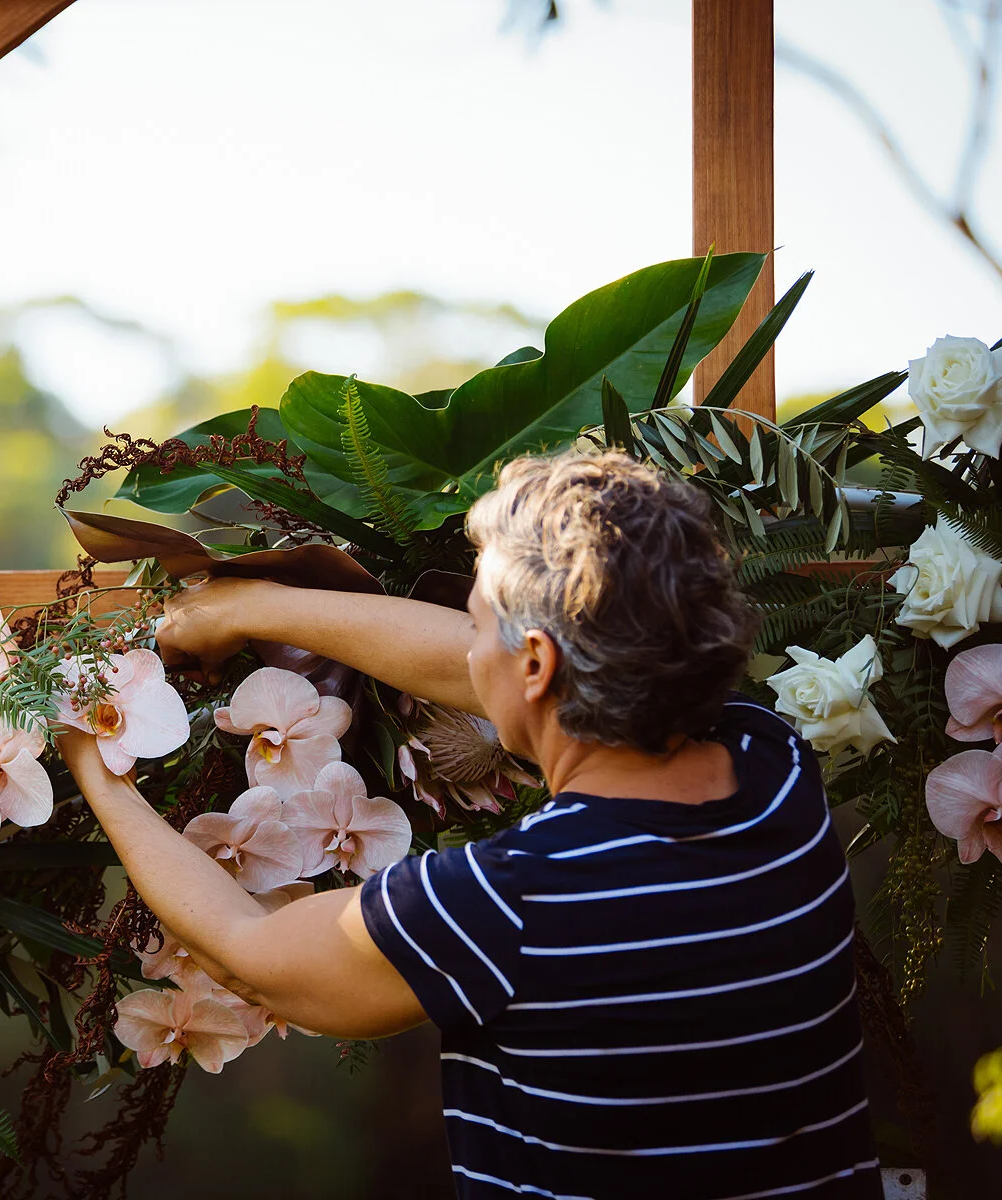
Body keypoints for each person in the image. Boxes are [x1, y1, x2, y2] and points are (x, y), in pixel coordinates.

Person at [57, 450, 880, 1199]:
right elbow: (461, 658)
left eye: (478, 619)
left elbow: (250, 954)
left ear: (537, 663)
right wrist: (254, 607)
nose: (466, 644)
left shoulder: (508, 902)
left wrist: (96, 763)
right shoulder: (774, 770)